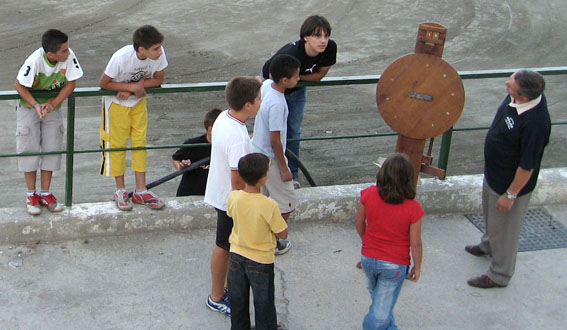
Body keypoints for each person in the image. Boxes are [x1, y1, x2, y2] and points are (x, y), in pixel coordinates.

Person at [466, 70, 551, 288]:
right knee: (491, 217)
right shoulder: (516, 99)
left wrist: (511, 194)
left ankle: (499, 274)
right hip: (495, 174)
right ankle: (488, 245)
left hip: (509, 185)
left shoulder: (536, 124)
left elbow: (527, 166)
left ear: (523, 96)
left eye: (510, 84)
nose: (506, 84)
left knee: (505, 231)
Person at [204, 76, 262, 315]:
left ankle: (223, 288)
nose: (261, 102)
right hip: (231, 200)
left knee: (225, 245)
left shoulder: (222, 118)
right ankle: (217, 296)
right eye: (258, 99)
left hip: (220, 194)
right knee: (223, 246)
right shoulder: (238, 138)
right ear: (247, 105)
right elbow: (238, 180)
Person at [261, 15, 337, 186]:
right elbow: (273, 76)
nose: (323, 41)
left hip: (298, 86)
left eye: (326, 36)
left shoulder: (330, 48)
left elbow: (319, 75)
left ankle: (292, 174)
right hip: (274, 85)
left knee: (293, 131)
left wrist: (296, 78)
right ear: (306, 37)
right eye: (317, 36)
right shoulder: (292, 53)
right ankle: (267, 171)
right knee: (271, 130)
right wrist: (289, 81)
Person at [98, 25, 168, 211]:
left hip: (138, 103)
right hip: (116, 106)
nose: (160, 52)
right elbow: (104, 83)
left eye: (160, 47)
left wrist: (137, 87)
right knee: (117, 145)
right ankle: (120, 189)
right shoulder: (121, 58)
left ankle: (141, 190)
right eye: (155, 49)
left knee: (140, 144)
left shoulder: (158, 55)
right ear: (141, 49)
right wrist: (130, 88)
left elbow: (159, 79)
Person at [15, 29, 83, 215]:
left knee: (52, 147)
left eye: (68, 49)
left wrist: (54, 103)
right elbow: (19, 85)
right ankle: (31, 194)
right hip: (29, 108)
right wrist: (36, 105)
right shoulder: (34, 61)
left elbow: (71, 82)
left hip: (52, 107)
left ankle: (45, 192)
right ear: (51, 54)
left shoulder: (68, 56)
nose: (68, 54)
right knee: (29, 148)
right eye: (64, 51)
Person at [354, 153, 424, 330]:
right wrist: (417, 266)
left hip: (368, 258)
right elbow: (415, 243)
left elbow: (359, 223)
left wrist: (367, 241)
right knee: (379, 314)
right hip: (395, 265)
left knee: (380, 299)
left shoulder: (368, 194)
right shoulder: (414, 209)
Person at [227, 153, 288, 330]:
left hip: (236, 255)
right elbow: (282, 233)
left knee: (238, 300)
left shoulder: (234, 197)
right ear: (263, 179)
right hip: (261, 260)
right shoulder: (269, 205)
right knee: (264, 303)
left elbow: (231, 214)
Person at [253, 54, 300, 255]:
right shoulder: (278, 104)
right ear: (284, 80)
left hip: (257, 151)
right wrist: (284, 168)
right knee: (287, 202)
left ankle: (260, 239)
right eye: (296, 76)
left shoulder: (265, 88)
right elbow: (275, 139)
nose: (298, 79)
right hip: (271, 159)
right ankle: (273, 241)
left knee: (261, 199)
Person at [171, 108, 222, 196]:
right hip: (190, 193)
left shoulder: (227, 144)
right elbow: (175, 158)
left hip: (214, 194)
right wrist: (181, 166)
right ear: (210, 129)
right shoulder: (192, 144)